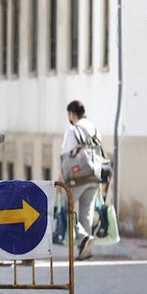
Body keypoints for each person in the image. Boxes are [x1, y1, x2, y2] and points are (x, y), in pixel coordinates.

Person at [60, 100, 100, 259]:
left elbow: (66, 157)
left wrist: (61, 178)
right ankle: (86, 250)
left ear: (71, 113)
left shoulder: (73, 130)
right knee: (87, 212)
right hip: (94, 175)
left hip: (78, 177)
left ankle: (82, 237)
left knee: (65, 208)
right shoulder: (94, 128)